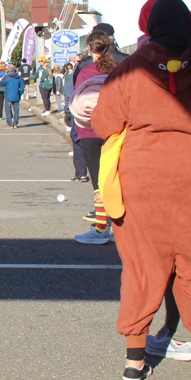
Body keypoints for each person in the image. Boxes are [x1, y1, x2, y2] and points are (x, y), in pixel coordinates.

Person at [92, 0, 191, 380]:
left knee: (142, 267)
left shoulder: (130, 69)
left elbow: (104, 123)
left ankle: (135, 360)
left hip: (142, 178)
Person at [69, 31, 120, 244]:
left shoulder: (85, 72)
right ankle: (118, 227)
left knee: (98, 181)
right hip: (114, 130)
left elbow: (76, 99)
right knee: (116, 179)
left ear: (89, 48)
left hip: (89, 131)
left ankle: (101, 228)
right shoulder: (118, 70)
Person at [0, 64, 24, 128]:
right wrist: (19, 93)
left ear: (8, 70)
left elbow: (1, 83)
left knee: (8, 110)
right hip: (16, 95)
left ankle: (10, 124)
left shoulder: (7, 77)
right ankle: (15, 123)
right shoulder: (19, 77)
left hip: (8, 96)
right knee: (16, 110)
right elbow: (22, 87)